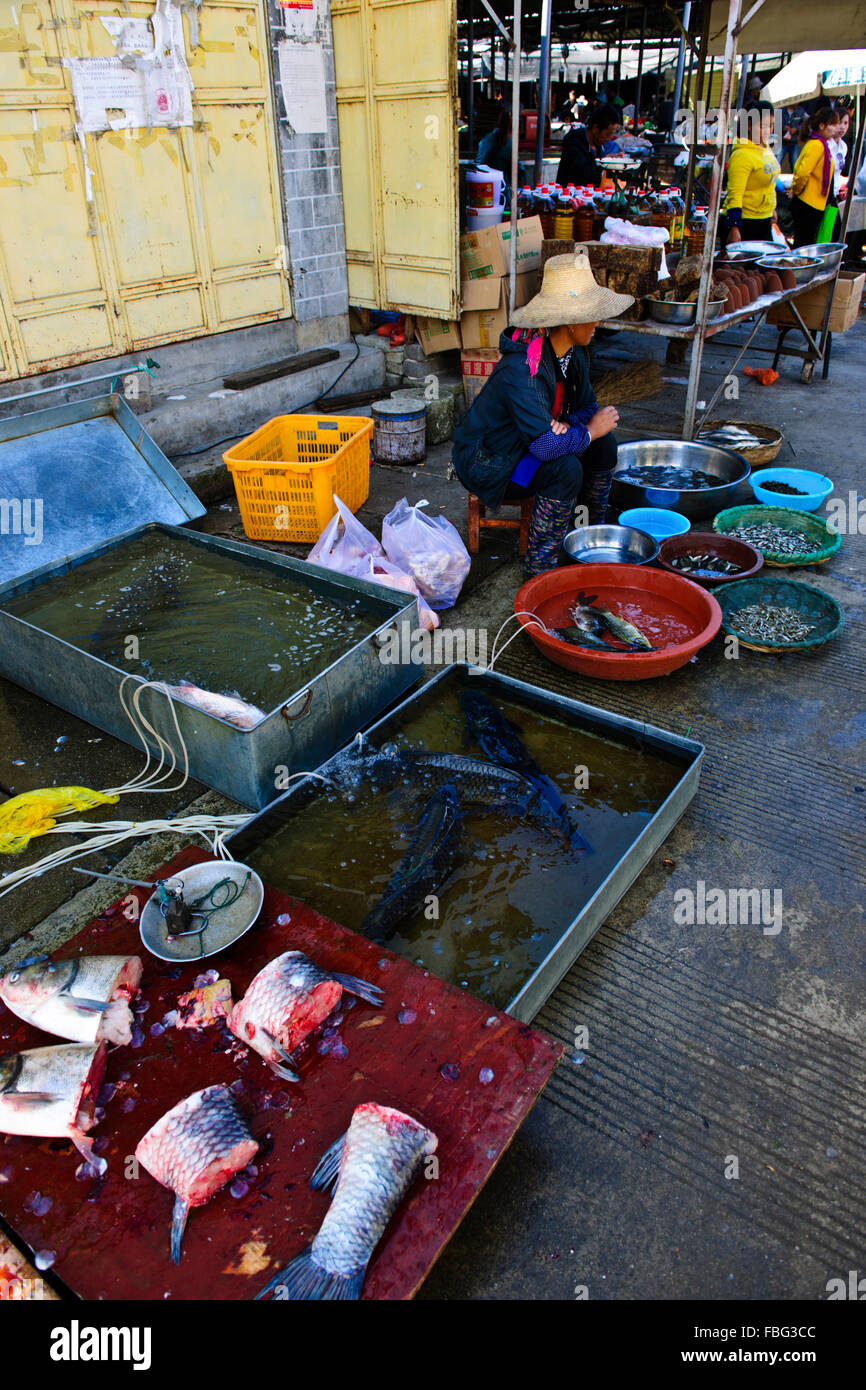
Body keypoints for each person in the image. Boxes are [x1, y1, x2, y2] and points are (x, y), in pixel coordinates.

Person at [451, 251, 633, 578]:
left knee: (606, 446)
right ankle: (540, 566)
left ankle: (590, 536)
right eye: (591, 316)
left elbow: (588, 408)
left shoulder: (572, 356)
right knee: (565, 468)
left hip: (527, 447)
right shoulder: (522, 368)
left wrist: (572, 425)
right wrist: (588, 431)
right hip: (494, 462)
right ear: (570, 320)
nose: (597, 323)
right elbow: (545, 448)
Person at [722, 101, 780, 244]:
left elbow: (769, 184)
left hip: (764, 220)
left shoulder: (766, 149)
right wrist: (734, 227)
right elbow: (734, 194)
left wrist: (771, 209)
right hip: (746, 223)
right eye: (762, 126)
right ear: (749, 125)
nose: (768, 131)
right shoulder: (742, 154)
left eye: (771, 125)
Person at [791, 106, 842, 246]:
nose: (836, 128)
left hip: (815, 204)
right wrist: (796, 191)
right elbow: (802, 173)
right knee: (803, 243)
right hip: (807, 203)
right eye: (833, 124)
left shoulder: (821, 144)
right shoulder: (817, 145)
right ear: (822, 126)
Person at [556, 102, 620, 188]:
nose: (609, 138)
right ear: (596, 129)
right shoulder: (574, 142)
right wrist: (602, 163)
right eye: (608, 134)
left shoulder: (599, 145)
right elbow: (581, 173)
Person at [478, 110, 513, 177]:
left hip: (485, 179)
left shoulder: (486, 140)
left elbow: (479, 162)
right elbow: (519, 168)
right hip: (502, 182)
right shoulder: (508, 143)